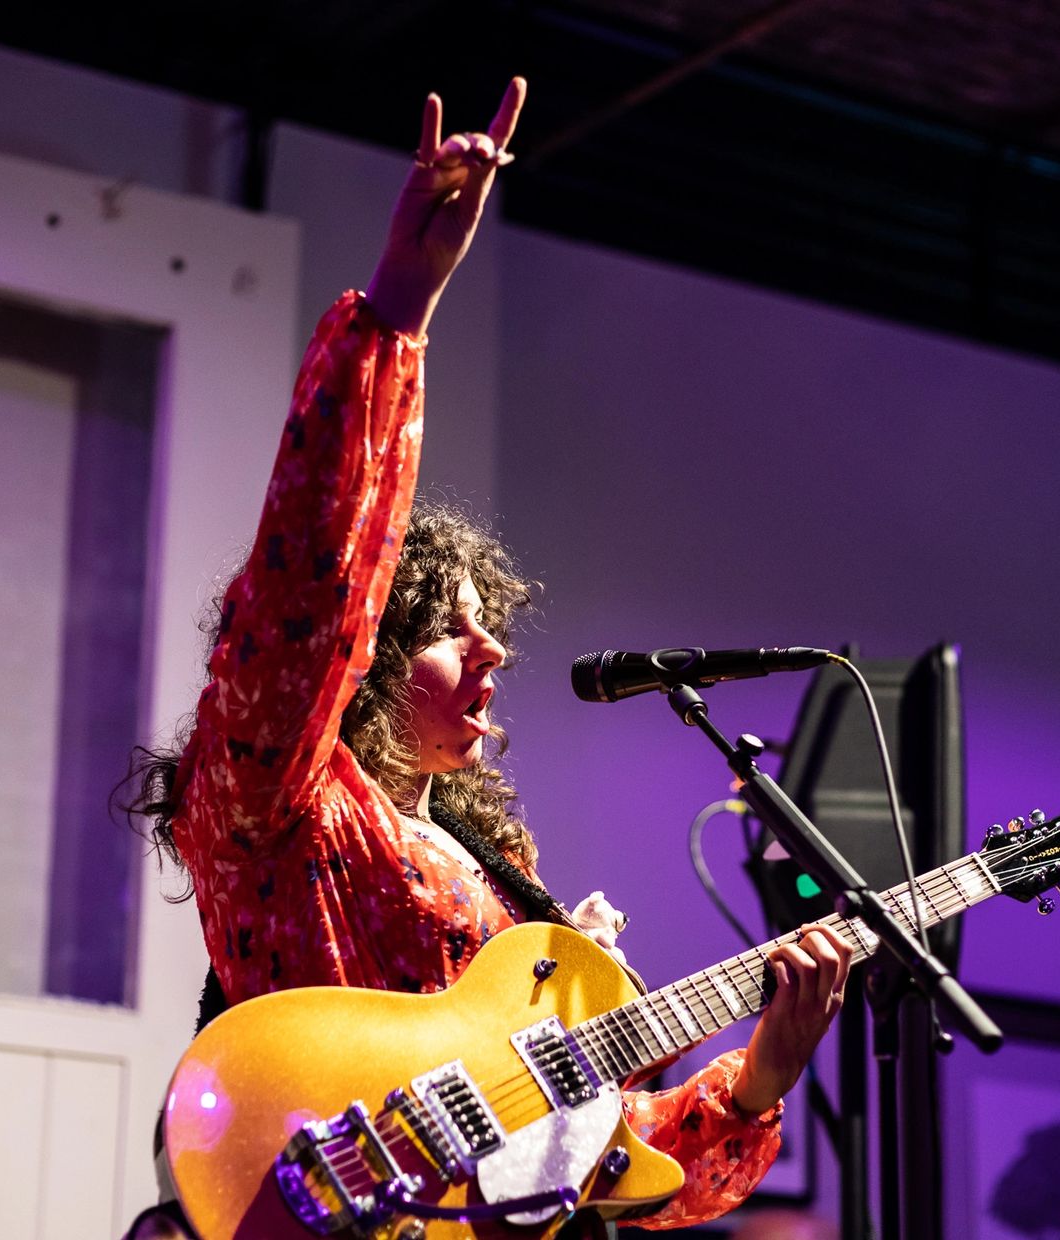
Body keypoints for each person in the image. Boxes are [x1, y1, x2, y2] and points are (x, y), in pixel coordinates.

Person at [125, 78, 852, 1238]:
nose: (495, 646)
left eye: (491, 621)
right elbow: (306, 592)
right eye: (451, 625)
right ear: (364, 657)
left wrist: (764, 1072)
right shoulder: (285, 802)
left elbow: (591, 1164)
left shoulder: (495, 879)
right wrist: (401, 313)